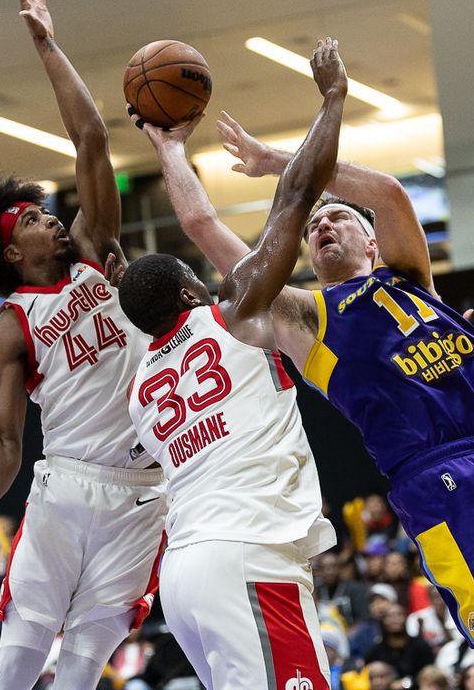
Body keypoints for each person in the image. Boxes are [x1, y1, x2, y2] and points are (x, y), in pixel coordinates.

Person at [134, 68, 474, 690]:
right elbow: (205, 230)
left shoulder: (412, 278)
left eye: (338, 218)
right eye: (313, 226)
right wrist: (171, 152)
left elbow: (391, 191)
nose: (321, 225)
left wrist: (278, 162)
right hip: (440, 480)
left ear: (370, 240)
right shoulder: (305, 316)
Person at [0, 0, 165, 690]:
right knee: (20, 655)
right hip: (68, 483)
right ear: (13, 252)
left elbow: (93, 136)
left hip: (145, 487)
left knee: (86, 662)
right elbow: (5, 438)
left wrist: (46, 41)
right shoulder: (11, 328)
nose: (50, 219)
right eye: (34, 219)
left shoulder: (96, 250)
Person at [121, 37, 347, 689]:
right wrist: (171, 147)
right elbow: (199, 220)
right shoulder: (236, 320)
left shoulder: (140, 387)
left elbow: (190, 230)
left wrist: (164, 149)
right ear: (196, 292)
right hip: (249, 552)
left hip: (185, 574)